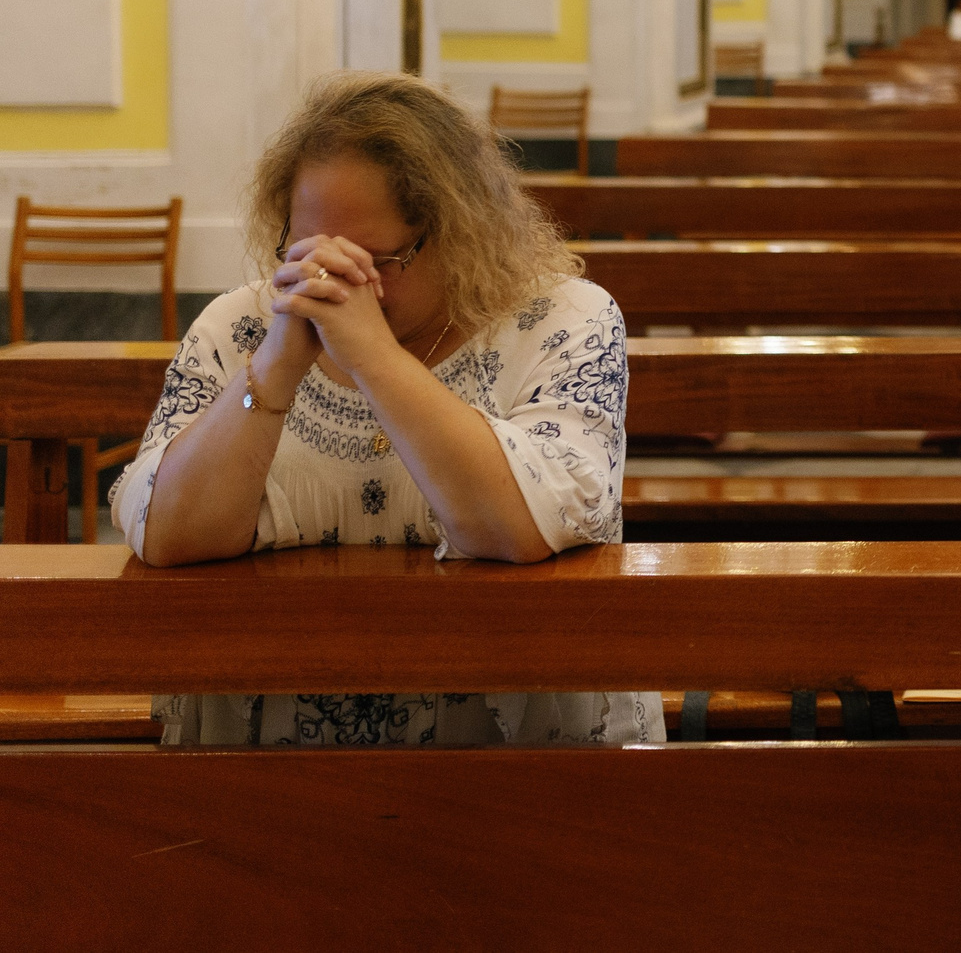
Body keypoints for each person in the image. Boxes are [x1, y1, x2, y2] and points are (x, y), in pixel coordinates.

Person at [113, 72, 661, 746]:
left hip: (517, 752)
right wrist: (275, 368)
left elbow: (519, 527)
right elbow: (167, 534)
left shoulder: (567, 318)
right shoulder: (239, 327)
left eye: (373, 260)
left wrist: (373, 357)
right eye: (306, 253)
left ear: (458, 234)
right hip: (269, 761)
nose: (331, 282)